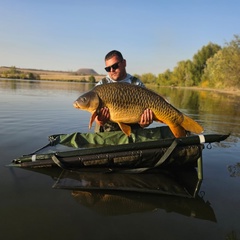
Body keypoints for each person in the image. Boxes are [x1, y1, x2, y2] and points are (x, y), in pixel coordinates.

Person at [95, 50, 153, 132]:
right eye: (108, 68)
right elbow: (97, 120)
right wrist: (100, 120)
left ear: (124, 63)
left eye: (115, 66)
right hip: (108, 133)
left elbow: (145, 121)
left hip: (133, 132)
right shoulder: (101, 86)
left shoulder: (136, 83)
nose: (112, 70)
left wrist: (144, 123)